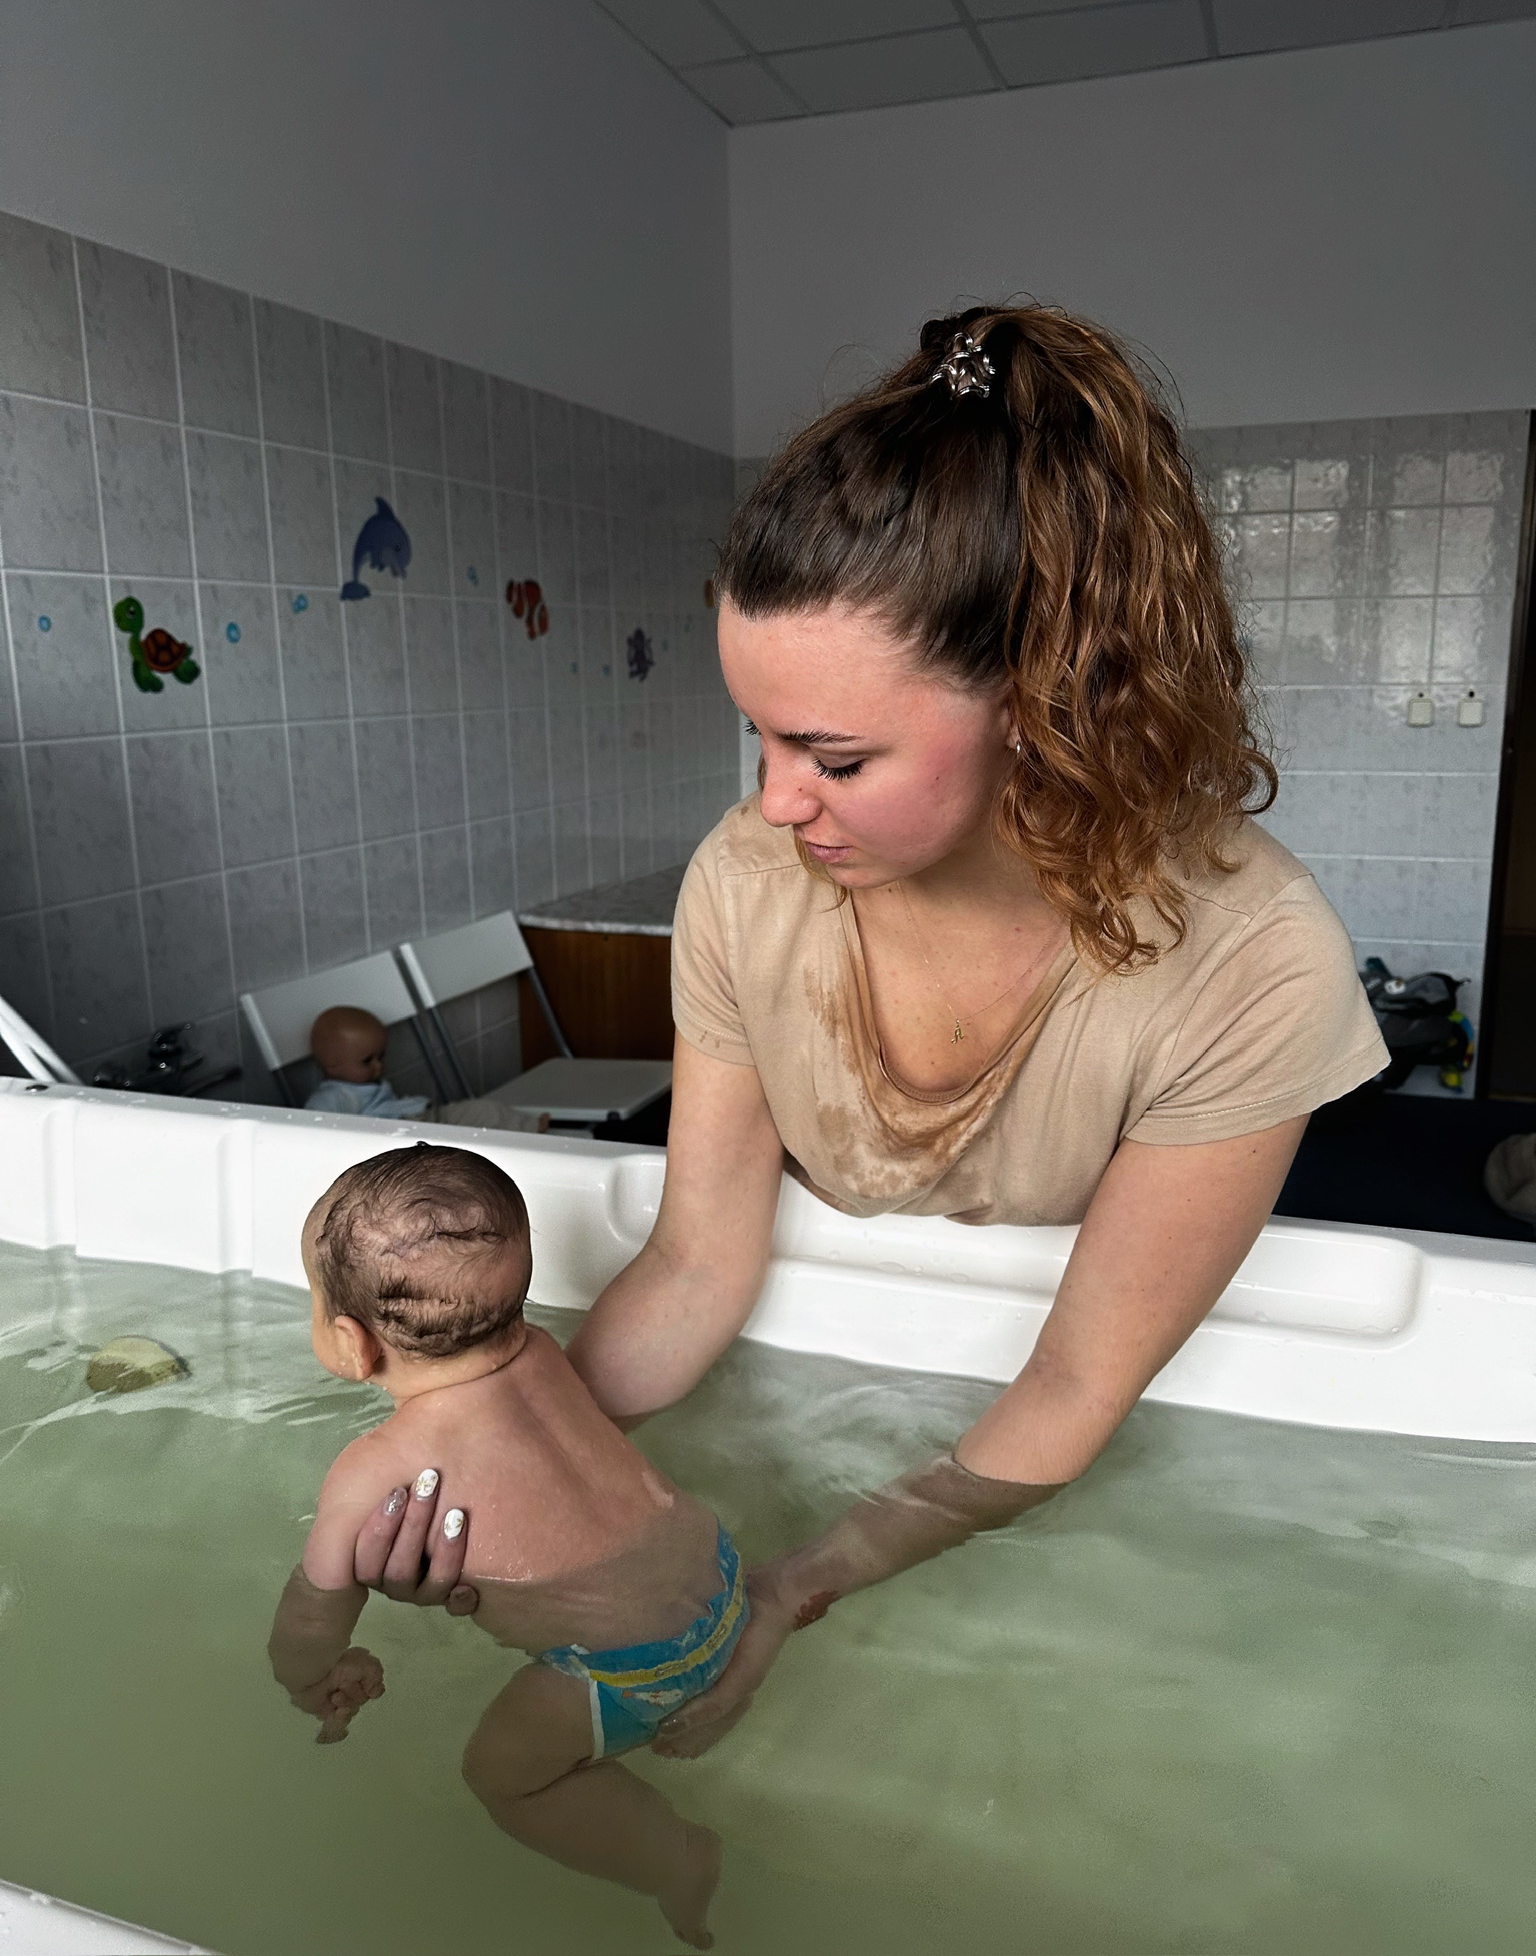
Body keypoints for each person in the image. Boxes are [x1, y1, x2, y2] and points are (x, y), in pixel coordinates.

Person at [351, 303, 1389, 1754]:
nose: (775, 801)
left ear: (1043, 704)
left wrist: (797, 1585)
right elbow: (699, 1262)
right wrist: (503, 1463)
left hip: (1033, 1470)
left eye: (833, 757)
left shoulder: (1251, 959)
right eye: (760, 736)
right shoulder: (748, 880)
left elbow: (1076, 1383)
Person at [267, 1145, 744, 1948]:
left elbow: (314, 1609)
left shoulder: (373, 1470)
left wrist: (307, 1676)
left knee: (503, 1778)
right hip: (720, 1579)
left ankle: (675, 1857)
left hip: (634, 1668)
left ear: (351, 1342)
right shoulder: (545, 1354)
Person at [304, 1006, 548, 1135]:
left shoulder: (361, 1083)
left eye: (381, 1056)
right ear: (332, 1063)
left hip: (424, 1116)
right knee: (472, 1131)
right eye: (367, 1061)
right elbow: (315, 1132)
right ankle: (526, 1133)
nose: (379, 1066)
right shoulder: (332, 1098)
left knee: (482, 1110)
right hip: (406, 1134)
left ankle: (530, 1126)